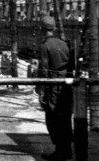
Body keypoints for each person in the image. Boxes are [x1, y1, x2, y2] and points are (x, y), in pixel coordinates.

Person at [38, 16, 73, 161]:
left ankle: (60, 152)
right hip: (66, 85)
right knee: (65, 117)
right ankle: (67, 150)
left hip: (52, 86)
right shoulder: (64, 44)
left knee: (53, 118)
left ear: (42, 29)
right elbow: (71, 66)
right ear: (54, 28)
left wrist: (41, 91)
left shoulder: (45, 46)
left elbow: (44, 71)